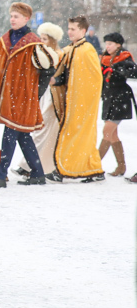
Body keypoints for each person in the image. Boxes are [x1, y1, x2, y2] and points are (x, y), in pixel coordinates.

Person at [0, 2, 59, 189]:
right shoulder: (4, 40)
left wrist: (36, 92)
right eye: (11, 15)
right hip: (7, 96)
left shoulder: (33, 42)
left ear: (26, 19)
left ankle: (1, 177)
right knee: (22, 136)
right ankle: (38, 174)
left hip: (23, 98)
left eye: (17, 16)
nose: (12, 19)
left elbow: (49, 65)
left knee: (10, 135)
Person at [47, 15, 105, 183]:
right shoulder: (71, 49)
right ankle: (92, 168)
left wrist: (81, 98)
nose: (70, 32)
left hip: (82, 102)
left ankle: (65, 170)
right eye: (69, 28)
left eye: (73, 29)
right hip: (72, 100)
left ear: (83, 30)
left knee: (77, 134)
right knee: (78, 135)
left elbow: (93, 79)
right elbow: (66, 75)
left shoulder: (87, 50)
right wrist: (55, 81)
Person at [13, 22, 64, 177]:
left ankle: (32, 166)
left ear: (53, 40)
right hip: (43, 94)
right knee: (38, 131)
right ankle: (29, 165)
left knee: (45, 132)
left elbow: (61, 76)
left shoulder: (59, 54)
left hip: (53, 95)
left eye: (45, 39)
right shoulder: (40, 53)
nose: (42, 41)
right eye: (41, 38)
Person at [97, 32, 136, 177]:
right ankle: (121, 167)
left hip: (120, 99)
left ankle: (93, 165)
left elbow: (134, 72)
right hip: (108, 98)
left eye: (110, 44)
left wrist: (117, 69)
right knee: (113, 135)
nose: (107, 47)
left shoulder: (125, 57)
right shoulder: (104, 58)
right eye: (106, 44)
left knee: (106, 131)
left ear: (118, 45)